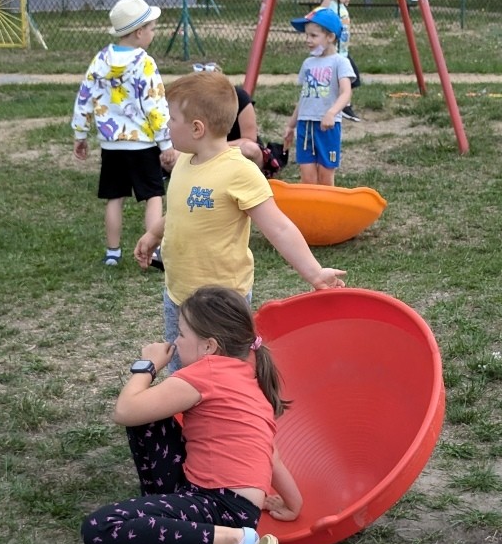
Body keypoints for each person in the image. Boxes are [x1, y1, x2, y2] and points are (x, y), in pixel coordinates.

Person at [81, 285, 304, 544]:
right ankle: (187, 530)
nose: (174, 341)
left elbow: (124, 410)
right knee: (150, 415)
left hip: (219, 507)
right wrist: (294, 504)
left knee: (102, 528)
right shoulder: (247, 379)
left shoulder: (206, 373)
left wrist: (147, 366)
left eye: (181, 334)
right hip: (229, 504)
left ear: (209, 346)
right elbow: (272, 454)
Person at [133, 71, 346, 371]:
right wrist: (154, 233)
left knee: (227, 370)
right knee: (182, 366)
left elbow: (279, 227)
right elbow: (182, 209)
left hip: (222, 300)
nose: (166, 125)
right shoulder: (184, 161)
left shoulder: (239, 172)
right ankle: (185, 415)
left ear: (197, 128)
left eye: (171, 119)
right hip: (178, 292)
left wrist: (314, 272)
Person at [72, 0, 177, 268]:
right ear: (139, 32)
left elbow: (84, 97)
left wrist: (81, 134)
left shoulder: (100, 60)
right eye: (153, 28)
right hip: (142, 144)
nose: (153, 33)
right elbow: (155, 105)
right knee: (153, 195)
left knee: (114, 197)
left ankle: (112, 252)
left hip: (111, 145)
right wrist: (166, 144)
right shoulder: (145, 63)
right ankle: (154, 251)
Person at [283, 8, 356, 186]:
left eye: (313, 36)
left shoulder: (340, 62)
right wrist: (291, 125)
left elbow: (346, 92)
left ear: (330, 37)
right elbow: (304, 97)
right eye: (306, 35)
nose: (308, 40)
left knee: (325, 176)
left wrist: (331, 112)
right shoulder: (308, 63)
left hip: (327, 127)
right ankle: (309, 213)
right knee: (307, 177)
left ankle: (327, 212)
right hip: (305, 125)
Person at [317, 0, 361, 122]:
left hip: (344, 52)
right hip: (335, 53)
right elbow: (318, 13)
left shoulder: (342, 7)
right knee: (348, 79)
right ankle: (345, 106)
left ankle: (341, 105)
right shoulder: (330, 6)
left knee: (353, 78)